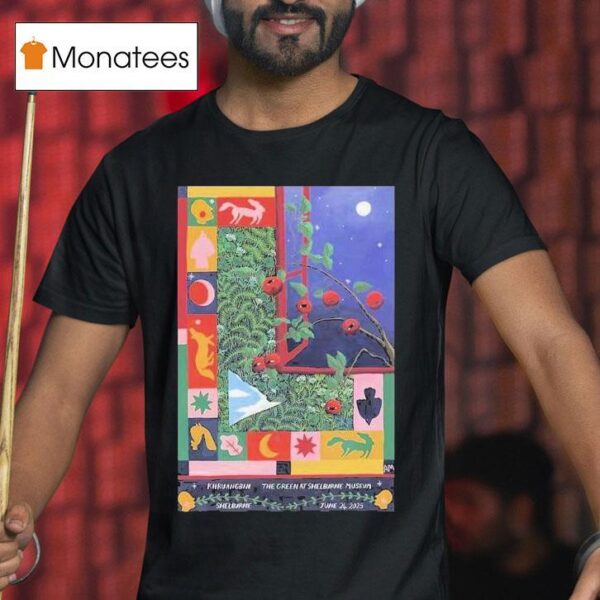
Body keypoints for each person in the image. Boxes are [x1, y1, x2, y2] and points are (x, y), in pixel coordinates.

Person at [1, 0, 599, 598]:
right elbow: (58, 392)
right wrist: (12, 513)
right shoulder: (136, 173)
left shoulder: (432, 154)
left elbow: (548, 342)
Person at [445, 431, 578, 599]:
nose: (454, 518)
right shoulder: (449, 581)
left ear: (520, 512)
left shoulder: (582, 577)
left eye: (467, 501)